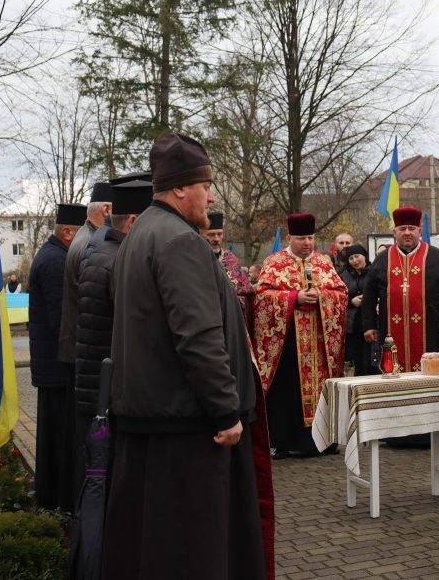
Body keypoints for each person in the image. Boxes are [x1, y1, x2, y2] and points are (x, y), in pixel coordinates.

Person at [102, 133, 266, 579]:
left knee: (154, 549)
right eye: (206, 184)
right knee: (193, 553)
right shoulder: (179, 241)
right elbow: (197, 337)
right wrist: (226, 412)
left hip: (154, 422)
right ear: (179, 188)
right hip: (187, 431)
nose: (211, 195)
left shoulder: (141, 235)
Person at [71, 180, 152, 507]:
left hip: (98, 386)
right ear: (132, 223)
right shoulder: (118, 260)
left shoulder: (101, 249)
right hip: (111, 391)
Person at [253, 213, 348, 458]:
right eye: (301, 238)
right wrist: (294, 298)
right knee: (287, 391)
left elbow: (341, 292)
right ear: (289, 238)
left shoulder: (324, 262)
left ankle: (322, 441)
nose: (307, 243)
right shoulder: (274, 262)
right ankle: (283, 441)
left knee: (321, 391)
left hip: (319, 344)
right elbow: (262, 296)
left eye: (310, 237)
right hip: (287, 344)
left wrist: (322, 297)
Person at [28, 202, 86, 512]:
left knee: (53, 437)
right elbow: (62, 319)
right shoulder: (55, 262)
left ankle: (50, 497)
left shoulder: (53, 255)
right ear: (67, 232)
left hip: (51, 367)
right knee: (58, 439)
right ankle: (54, 500)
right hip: (57, 367)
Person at [362, 205, 439, 371]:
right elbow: (369, 295)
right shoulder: (382, 259)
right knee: (392, 373)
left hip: (431, 328)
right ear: (395, 232)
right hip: (389, 329)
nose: (407, 232)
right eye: (402, 229)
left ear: (419, 231)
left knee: (431, 374)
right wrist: (369, 325)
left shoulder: (436, 257)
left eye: (412, 228)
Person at [58, 182, 112, 369]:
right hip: (87, 349)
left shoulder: (84, 234)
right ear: (106, 209)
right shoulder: (92, 243)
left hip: (80, 346)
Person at [204, 211, 255, 328]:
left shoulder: (231, 258)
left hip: (232, 320)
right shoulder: (196, 258)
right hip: (208, 321)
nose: (216, 239)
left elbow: (246, 291)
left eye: (219, 234)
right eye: (211, 235)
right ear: (202, 234)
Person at [339, 243, 373, 375]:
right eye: (351, 258)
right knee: (357, 362)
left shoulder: (374, 271)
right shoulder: (343, 275)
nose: (355, 261)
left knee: (371, 362)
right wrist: (351, 301)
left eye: (357, 256)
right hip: (352, 326)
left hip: (371, 323)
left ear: (364, 256)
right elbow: (338, 296)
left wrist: (369, 298)